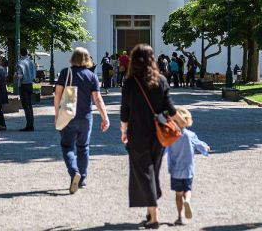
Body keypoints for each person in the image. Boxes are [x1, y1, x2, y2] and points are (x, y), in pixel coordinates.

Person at [120, 44, 182, 229]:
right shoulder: (161, 80)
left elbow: (125, 112)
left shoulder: (130, 82)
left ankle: (154, 216)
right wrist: (183, 123)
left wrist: (123, 131)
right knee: (152, 171)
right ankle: (150, 209)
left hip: (137, 133)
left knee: (144, 172)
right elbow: (170, 110)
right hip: (159, 134)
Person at [54, 47, 110, 194]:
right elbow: (97, 99)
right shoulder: (92, 76)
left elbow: (58, 95)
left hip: (68, 115)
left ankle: (74, 173)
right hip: (86, 117)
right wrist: (105, 117)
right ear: (87, 59)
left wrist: (56, 115)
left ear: (73, 58)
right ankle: (82, 178)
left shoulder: (66, 72)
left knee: (67, 146)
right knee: (83, 147)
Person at [166, 107, 210, 226]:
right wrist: (205, 148)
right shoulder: (190, 135)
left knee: (178, 193)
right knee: (188, 190)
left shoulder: (171, 136)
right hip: (188, 170)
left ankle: (180, 217)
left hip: (175, 170)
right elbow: (200, 145)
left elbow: (164, 148)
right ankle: (188, 201)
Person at [16, 48, 37, 132]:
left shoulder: (20, 63)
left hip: (23, 85)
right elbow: (34, 74)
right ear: (27, 53)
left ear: (20, 54)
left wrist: (16, 75)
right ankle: (31, 124)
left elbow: (20, 76)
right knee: (30, 105)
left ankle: (29, 125)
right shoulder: (31, 62)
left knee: (25, 106)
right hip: (30, 85)